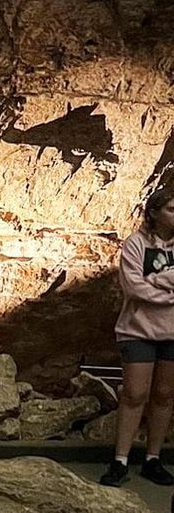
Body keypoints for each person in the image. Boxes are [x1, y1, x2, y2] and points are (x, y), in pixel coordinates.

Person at [101, 185, 174, 487]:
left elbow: (147, 285)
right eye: (172, 209)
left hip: (172, 332)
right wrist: (169, 292)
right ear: (155, 212)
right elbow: (133, 288)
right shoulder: (135, 245)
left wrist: (155, 281)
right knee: (134, 395)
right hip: (137, 330)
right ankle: (120, 460)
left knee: (165, 395)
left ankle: (153, 459)